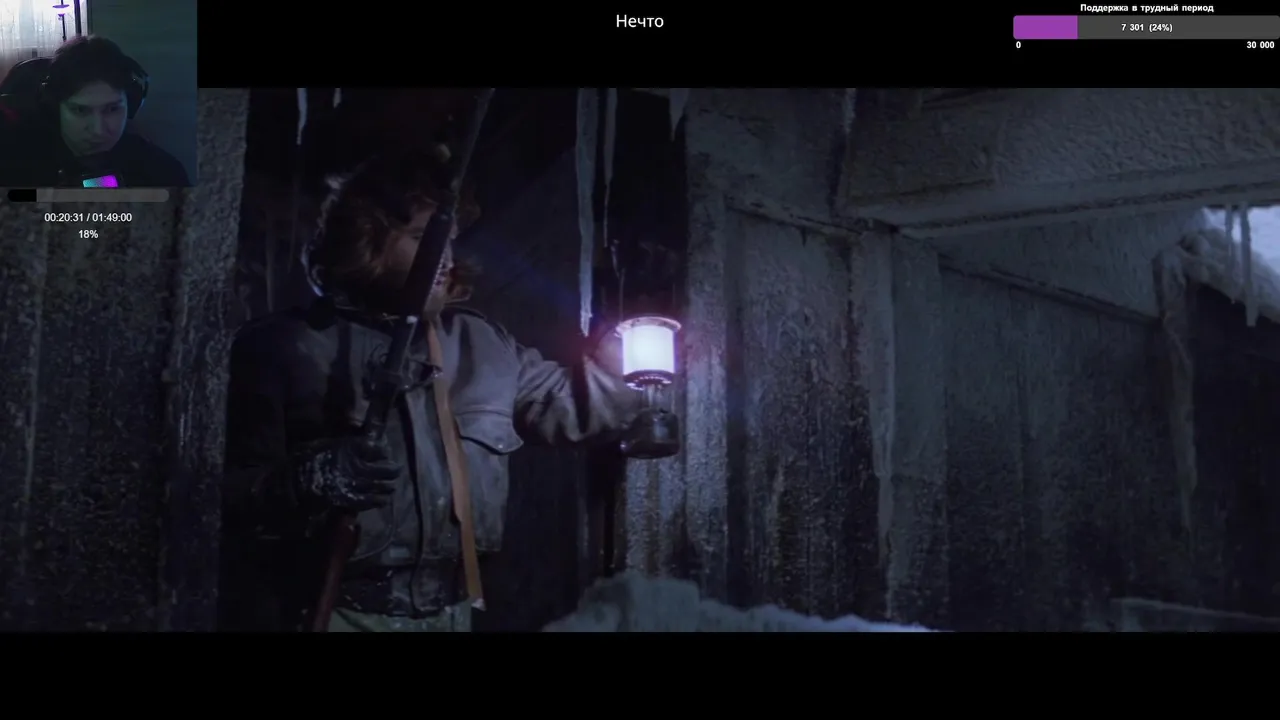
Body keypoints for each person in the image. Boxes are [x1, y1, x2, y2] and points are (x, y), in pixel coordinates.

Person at [220, 150, 647, 633]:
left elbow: (575, 406)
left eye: (450, 238)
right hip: (337, 613)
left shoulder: (481, 344)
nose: (445, 256)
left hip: (451, 614)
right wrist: (309, 479)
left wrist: (624, 362)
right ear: (366, 241)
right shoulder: (286, 348)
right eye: (423, 236)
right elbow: (219, 496)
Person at [0, 35, 189, 187]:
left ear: (131, 105)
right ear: (54, 107)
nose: (98, 130)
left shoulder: (163, 174)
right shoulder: (13, 165)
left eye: (112, 109)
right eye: (80, 111)